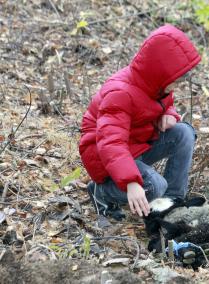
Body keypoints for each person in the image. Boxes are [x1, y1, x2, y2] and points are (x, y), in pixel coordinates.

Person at [79, 25, 201, 221]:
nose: (176, 86)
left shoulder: (155, 85)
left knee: (183, 133)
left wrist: (169, 113)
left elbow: (162, 103)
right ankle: (101, 192)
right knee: (153, 185)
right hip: (104, 155)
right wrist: (131, 182)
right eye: (175, 81)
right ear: (160, 72)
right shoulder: (120, 93)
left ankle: (172, 203)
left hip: (135, 145)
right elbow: (110, 142)